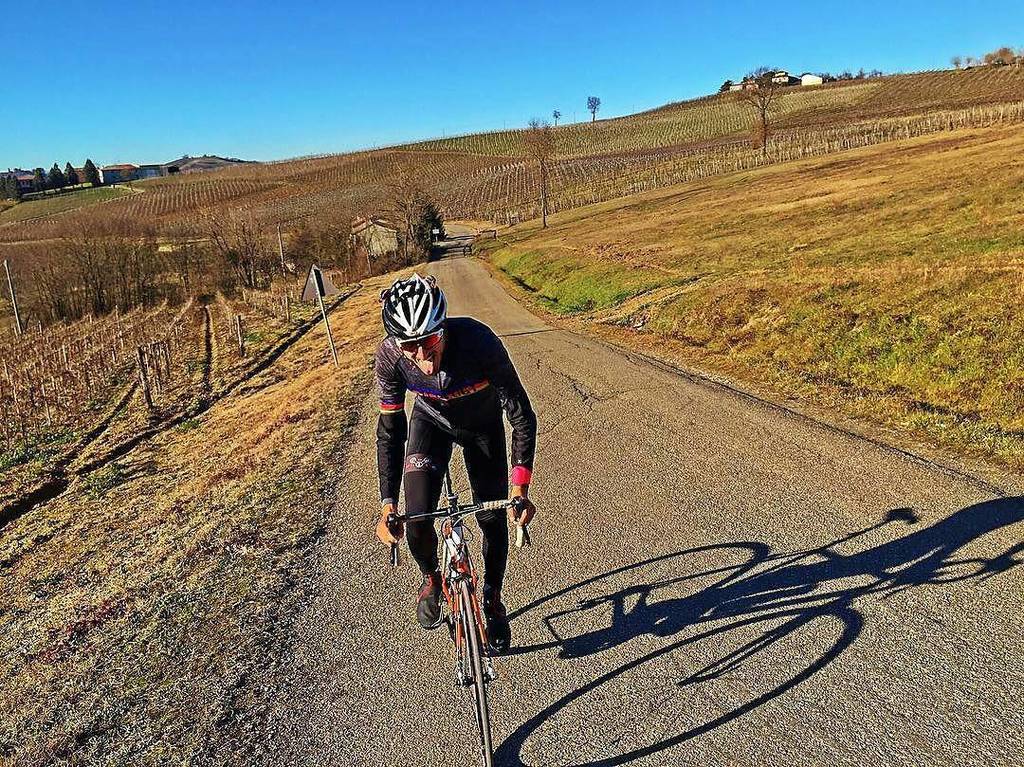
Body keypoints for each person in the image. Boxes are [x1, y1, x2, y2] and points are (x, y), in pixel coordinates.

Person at [373, 273, 537, 653]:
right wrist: (387, 505)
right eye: (409, 345)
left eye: (428, 340)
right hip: (430, 424)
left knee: (493, 519)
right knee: (416, 521)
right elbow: (390, 431)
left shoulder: (480, 343)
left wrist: (520, 488)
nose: (421, 355)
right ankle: (431, 578)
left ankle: (493, 598)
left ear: (442, 328)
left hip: (482, 427)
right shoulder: (391, 359)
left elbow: (521, 415)